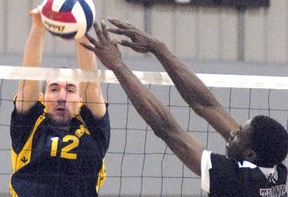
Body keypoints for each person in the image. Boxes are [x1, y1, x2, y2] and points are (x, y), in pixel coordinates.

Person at [81, 19, 288, 197]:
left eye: (238, 135)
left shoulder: (238, 181)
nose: (231, 131)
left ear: (250, 155)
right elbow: (207, 106)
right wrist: (158, 48)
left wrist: (118, 66)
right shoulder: (277, 171)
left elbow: (166, 129)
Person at [9, 8, 110, 197]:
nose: (62, 96)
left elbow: (92, 84)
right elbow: (29, 77)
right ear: (43, 97)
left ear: (81, 100)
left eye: (70, 90)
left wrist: (80, 28)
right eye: (54, 89)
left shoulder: (92, 127)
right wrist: (38, 26)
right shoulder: (29, 125)